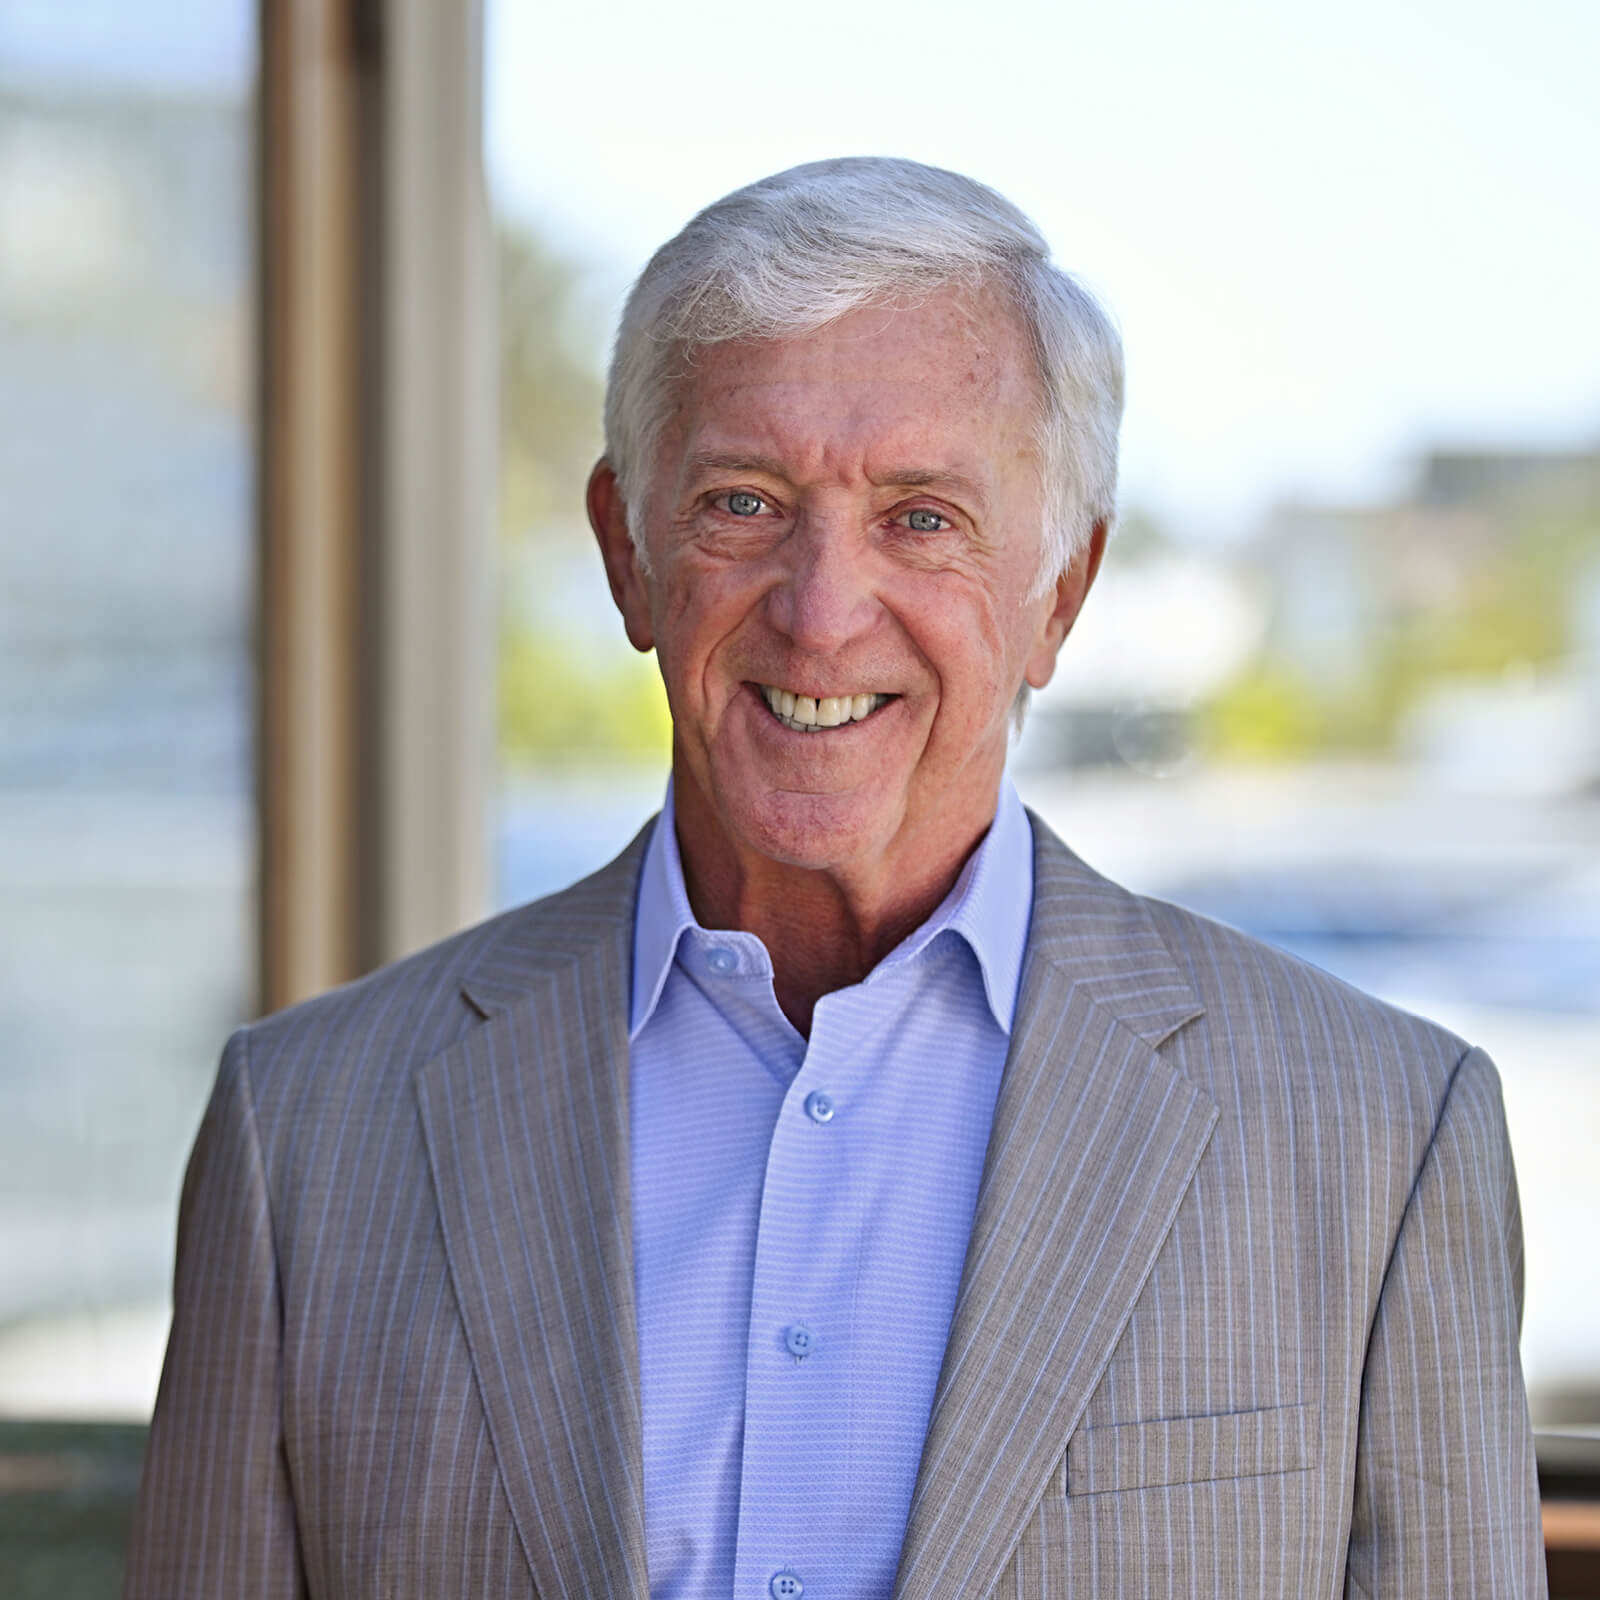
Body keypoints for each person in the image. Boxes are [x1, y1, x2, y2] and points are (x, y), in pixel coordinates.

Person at [126, 158, 1545, 1599]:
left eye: (922, 518)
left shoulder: (1380, 1143)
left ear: (1060, 592)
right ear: (628, 551)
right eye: (744, 504)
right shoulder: (303, 1136)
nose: (821, 614)